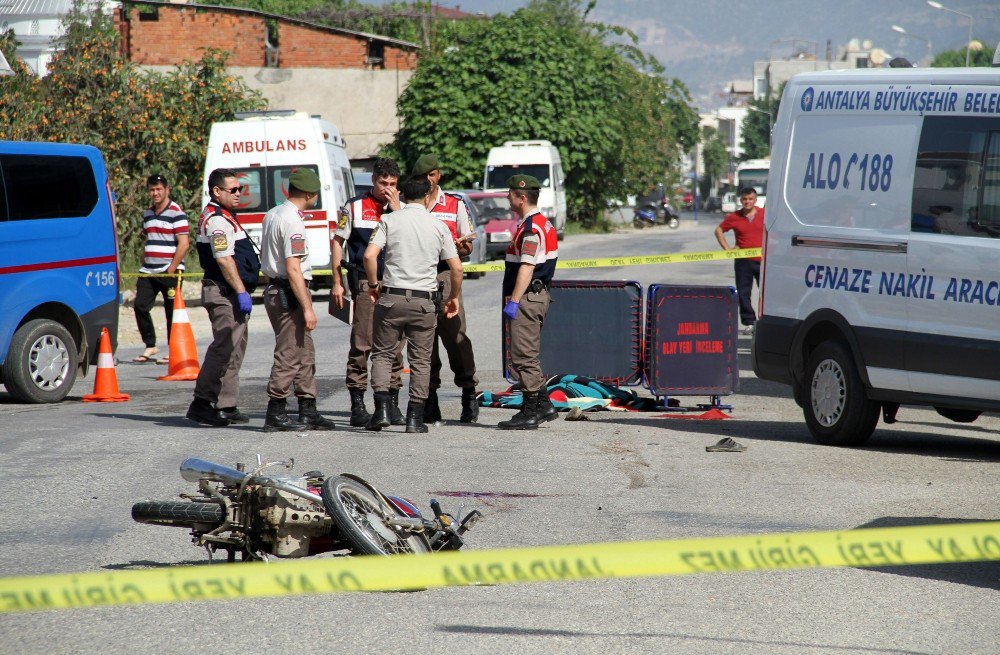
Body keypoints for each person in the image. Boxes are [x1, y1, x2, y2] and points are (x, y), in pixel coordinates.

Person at [363, 174, 462, 434]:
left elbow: (369, 256)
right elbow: (456, 267)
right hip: (424, 302)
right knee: (421, 360)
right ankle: (415, 419)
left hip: (392, 298)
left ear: (403, 195)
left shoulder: (388, 220)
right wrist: (453, 298)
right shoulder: (438, 225)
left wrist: (374, 285)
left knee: (384, 354)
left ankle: (382, 410)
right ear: (427, 197)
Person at [330, 158, 406, 428]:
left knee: (395, 347)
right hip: (365, 283)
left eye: (393, 184)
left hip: (396, 283)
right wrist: (337, 281)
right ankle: (358, 402)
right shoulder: (354, 206)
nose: (387, 188)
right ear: (373, 180)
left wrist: (396, 209)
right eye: (383, 183)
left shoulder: (403, 208)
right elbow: (338, 242)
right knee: (362, 344)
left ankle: (391, 401)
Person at [260, 168, 335, 432]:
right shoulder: (292, 221)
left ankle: (308, 409)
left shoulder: (273, 213)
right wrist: (307, 308)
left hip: (276, 288)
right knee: (289, 353)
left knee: (305, 351)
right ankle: (276, 411)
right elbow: (293, 268)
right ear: (310, 194)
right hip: (287, 291)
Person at [186, 169, 260, 427]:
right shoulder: (217, 221)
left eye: (240, 189)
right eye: (233, 190)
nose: (239, 194)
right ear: (217, 191)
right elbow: (224, 259)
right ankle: (201, 403)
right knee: (224, 347)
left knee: (235, 349)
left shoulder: (227, 216)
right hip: (223, 291)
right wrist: (240, 291)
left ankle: (226, 404)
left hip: (230, 290)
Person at [411, 154, 480, 425]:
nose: (428, 180)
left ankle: (469, 393)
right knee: (423, 340)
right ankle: (429, 398)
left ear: (439, 175)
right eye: (423, 176)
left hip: (445, 273)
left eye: (433, 174)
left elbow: (469, 242)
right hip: (418, 274)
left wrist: (462, 247)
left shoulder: (454, 203)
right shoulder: (410, 204)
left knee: (456, 336)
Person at [498, 174, 559, 430]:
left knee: (524, 357)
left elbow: (527, 266)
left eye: (510, 193)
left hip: (527, 297)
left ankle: (530, 411)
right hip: (535, 295)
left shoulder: (532, 228)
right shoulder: (541, 223)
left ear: (522, 197)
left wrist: (514, 300)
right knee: (526, 354)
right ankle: (544, 405)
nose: (507, 197)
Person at [133, 174, 189, 364]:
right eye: (152, 189)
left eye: (158, 189)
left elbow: (184, 244)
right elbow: (149, 240)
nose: (155, 193)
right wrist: (144, 261)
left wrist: (172, 268)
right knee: (140, 305)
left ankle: (173, 349)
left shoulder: (176, 212)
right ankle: (150, 345)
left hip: (169, 269)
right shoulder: (148, 213)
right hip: (148, 270)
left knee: (171, 311)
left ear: (167, 190)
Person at [714, 186, 765, 335]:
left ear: (755, 200)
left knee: (766, 292)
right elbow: (718, 231)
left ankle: (765, 321)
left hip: (763, 260)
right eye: (744, 199)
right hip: (744, 261)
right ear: (741, 200)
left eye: (750, 199)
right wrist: (727, 250)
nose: (747, 202)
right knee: (743, 293)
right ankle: (749, 322)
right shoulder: (734, 217)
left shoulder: (764, 214)